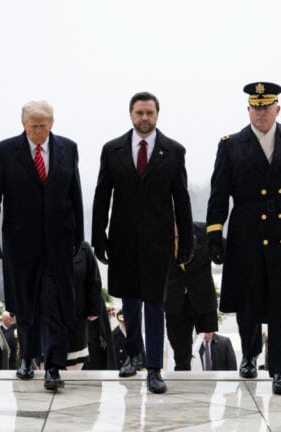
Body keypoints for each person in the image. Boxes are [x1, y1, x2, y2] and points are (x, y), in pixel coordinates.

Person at [206, 82, 281, 395]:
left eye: (266, 107)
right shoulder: (231, 145)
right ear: (248, 110)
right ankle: (249, 354)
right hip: (247, 233)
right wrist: (214, 234)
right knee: (249, 302)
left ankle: (280, 371)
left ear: (277, 109)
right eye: (255, 108)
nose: (260, 113)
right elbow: (219, 194)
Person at [92, 91, 193, 394]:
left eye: (149, 113)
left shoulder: (173, 151)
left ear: (157, 115)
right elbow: (101, 195)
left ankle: (154, 368)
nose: (144, 118)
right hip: (122, 240)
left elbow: (182, 199)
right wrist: (99, 236)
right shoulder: (113, 150)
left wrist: (185, 240)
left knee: (154, 303)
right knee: (130, 301)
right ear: (131, 114)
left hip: (158, 242)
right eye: (139, 113)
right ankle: (132, 356)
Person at [0, 100, 84, 391]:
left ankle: (53, 366)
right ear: (23, 123)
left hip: (59, 242)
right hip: (20, 243)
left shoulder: (68, 148)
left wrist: (79, 236)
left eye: (43, 125)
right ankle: (27, 357)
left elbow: (74, 192)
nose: (38, 131)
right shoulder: (5, 151)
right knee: (25, 303)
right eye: (33, 125)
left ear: (52, 122)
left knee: (56, 303)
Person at [165, 221, 219, 371]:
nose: (175, 228)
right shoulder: (159, 235)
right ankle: (182, 377)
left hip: (201, 297)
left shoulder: (202, 231)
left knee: (209, 343)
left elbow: (223, 249)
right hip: (175, 301)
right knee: (180, 350)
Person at [66, 241, 102, 370]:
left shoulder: (84, 248)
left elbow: (94, 280)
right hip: (51, 316)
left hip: (77, 318)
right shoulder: (45, 241)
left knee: (74, 364)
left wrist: (94, 309)